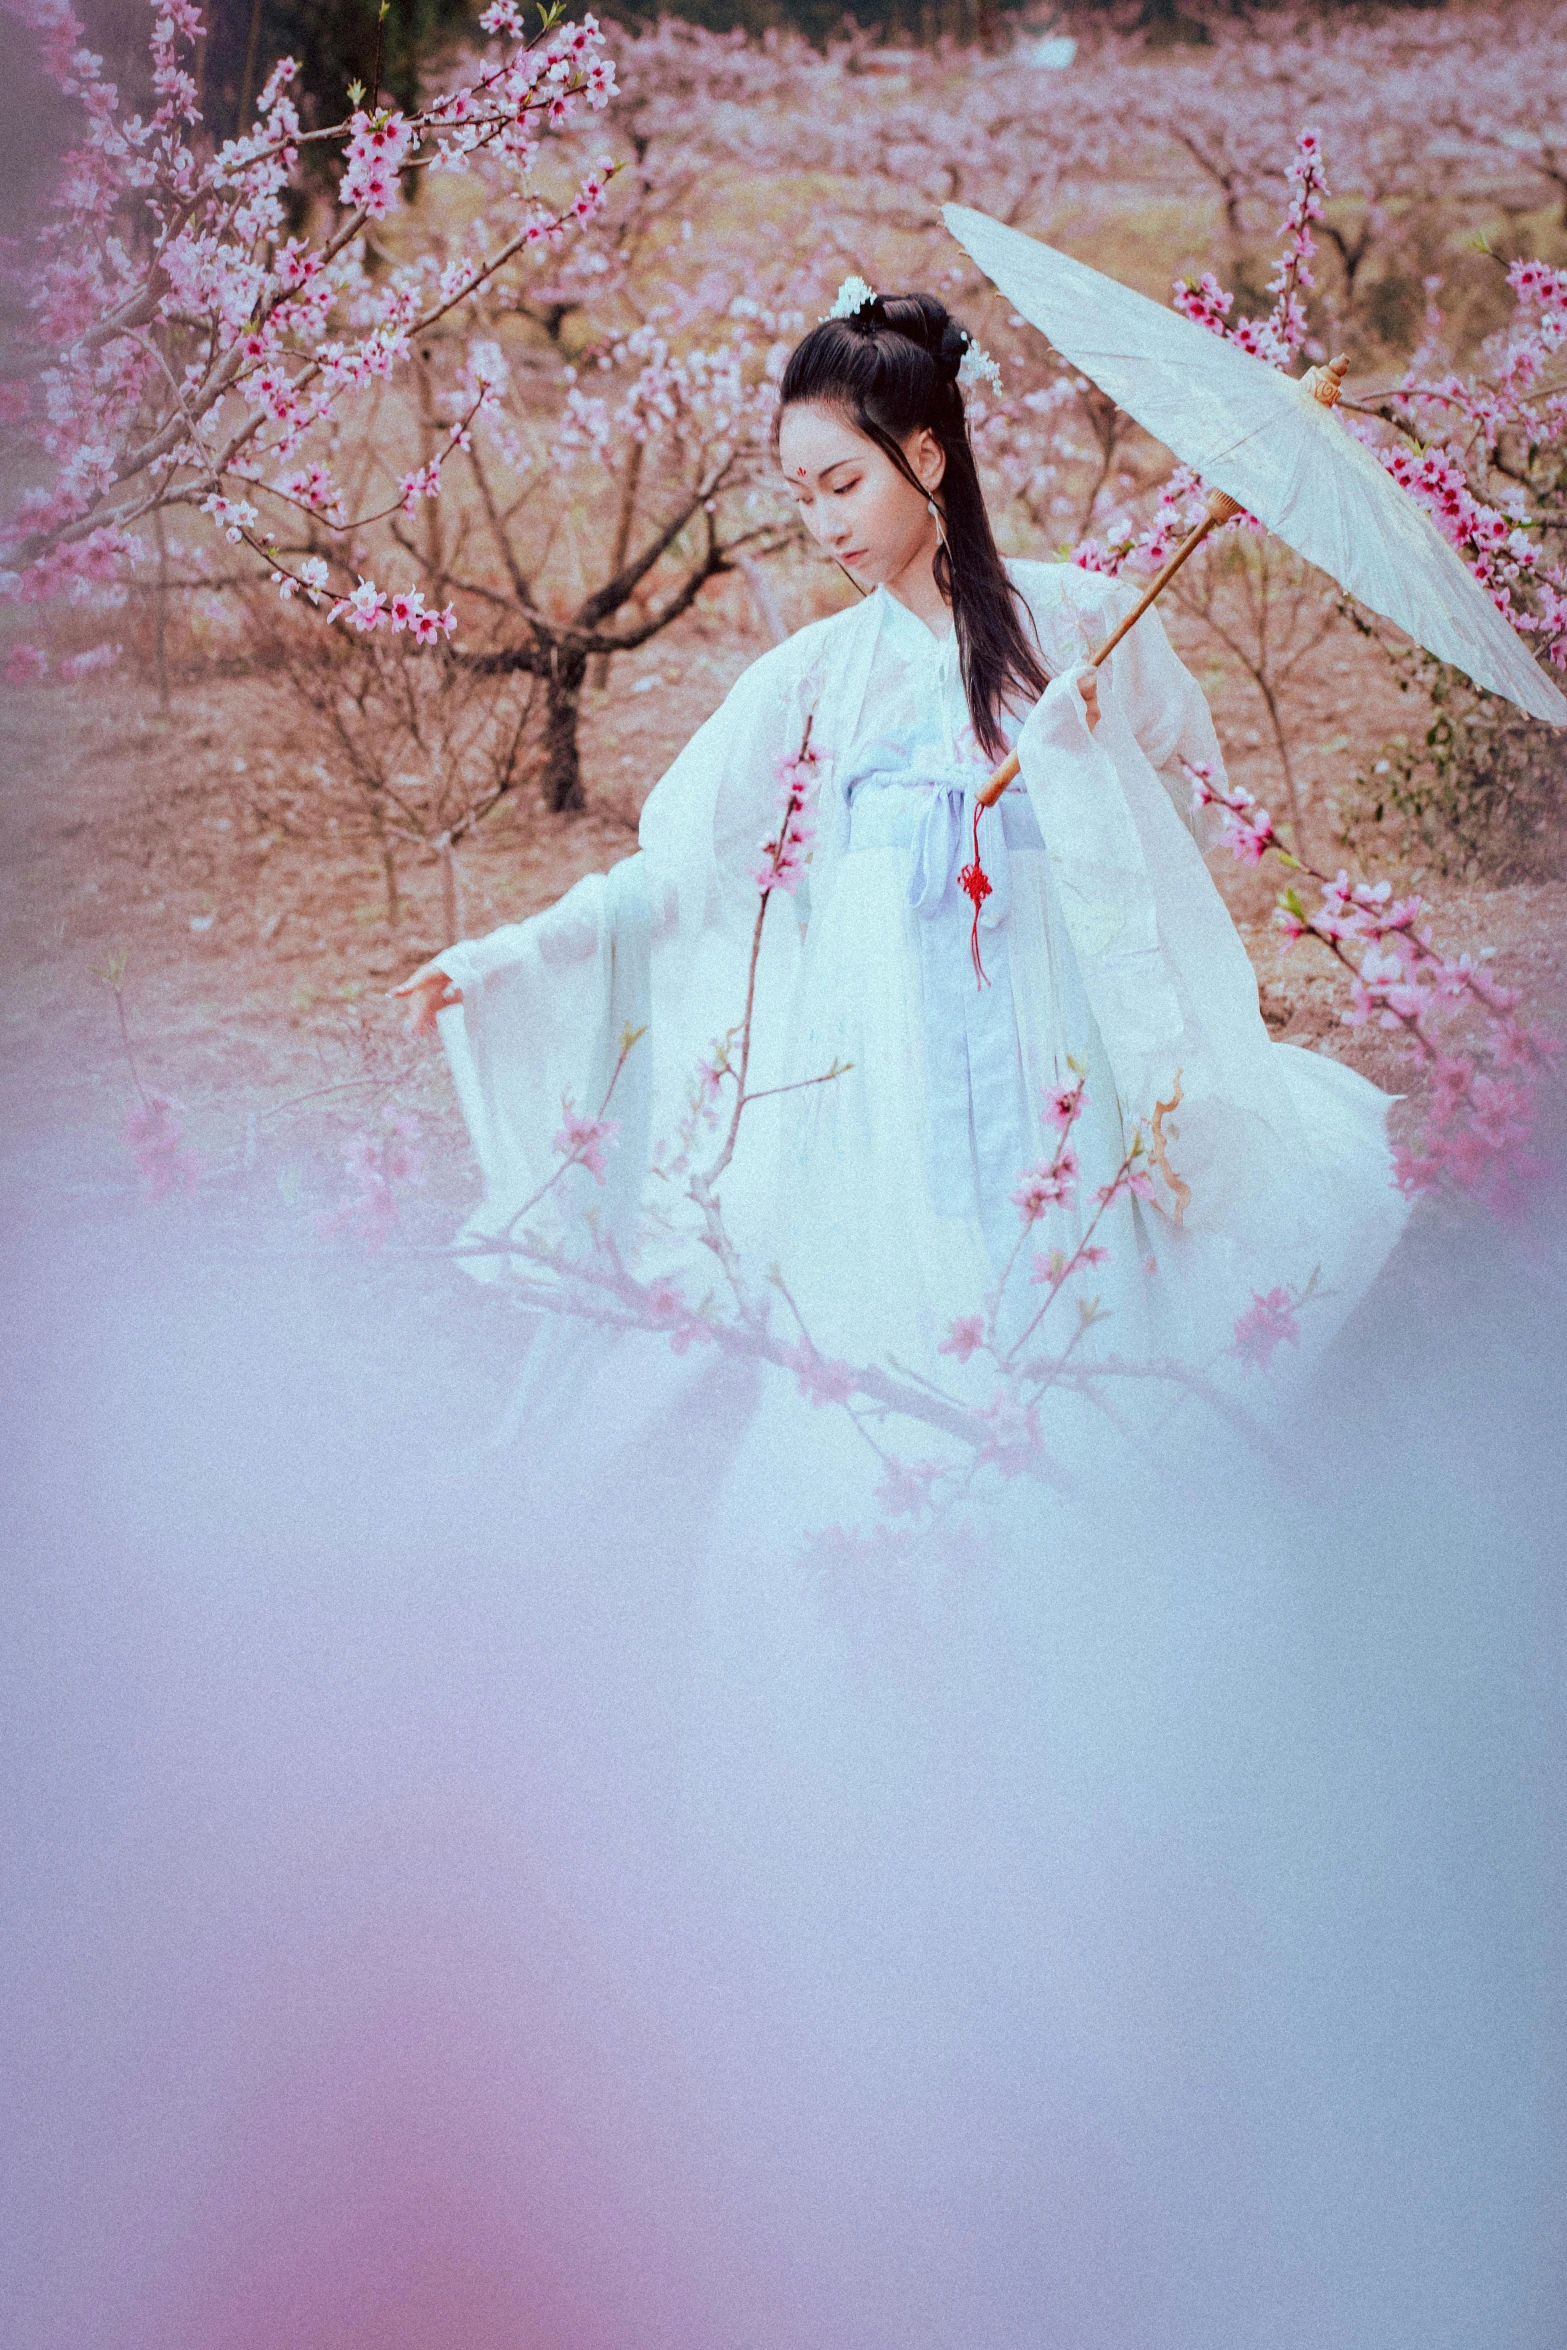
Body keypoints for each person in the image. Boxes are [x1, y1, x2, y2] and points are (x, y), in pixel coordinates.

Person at [394, 286, 1408, 1469]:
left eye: (844, 485)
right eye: (800, 495)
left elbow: (1184, 798)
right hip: (888, 1068)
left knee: (1074, 1277)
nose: (823, 523)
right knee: (917, 1325)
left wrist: (1082, 772)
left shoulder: (1079, 623)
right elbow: (683, 870)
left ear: (926, 456)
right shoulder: (812, 681)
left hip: (1059, 1048)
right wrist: (504, 957)